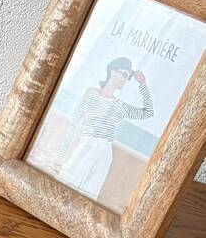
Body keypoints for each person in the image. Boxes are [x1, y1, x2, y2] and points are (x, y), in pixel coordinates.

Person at [54, 57, 154, 200]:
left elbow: (148, 112)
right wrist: (59, 158)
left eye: (128, 78)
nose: (125, 80)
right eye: (124, 74)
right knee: (64, 185)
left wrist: (142, 84)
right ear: (113, 71)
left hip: (104, 152)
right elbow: (75, 125)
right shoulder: (91, 94)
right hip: (85, 145)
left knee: (89, 195)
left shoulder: (119, 106)